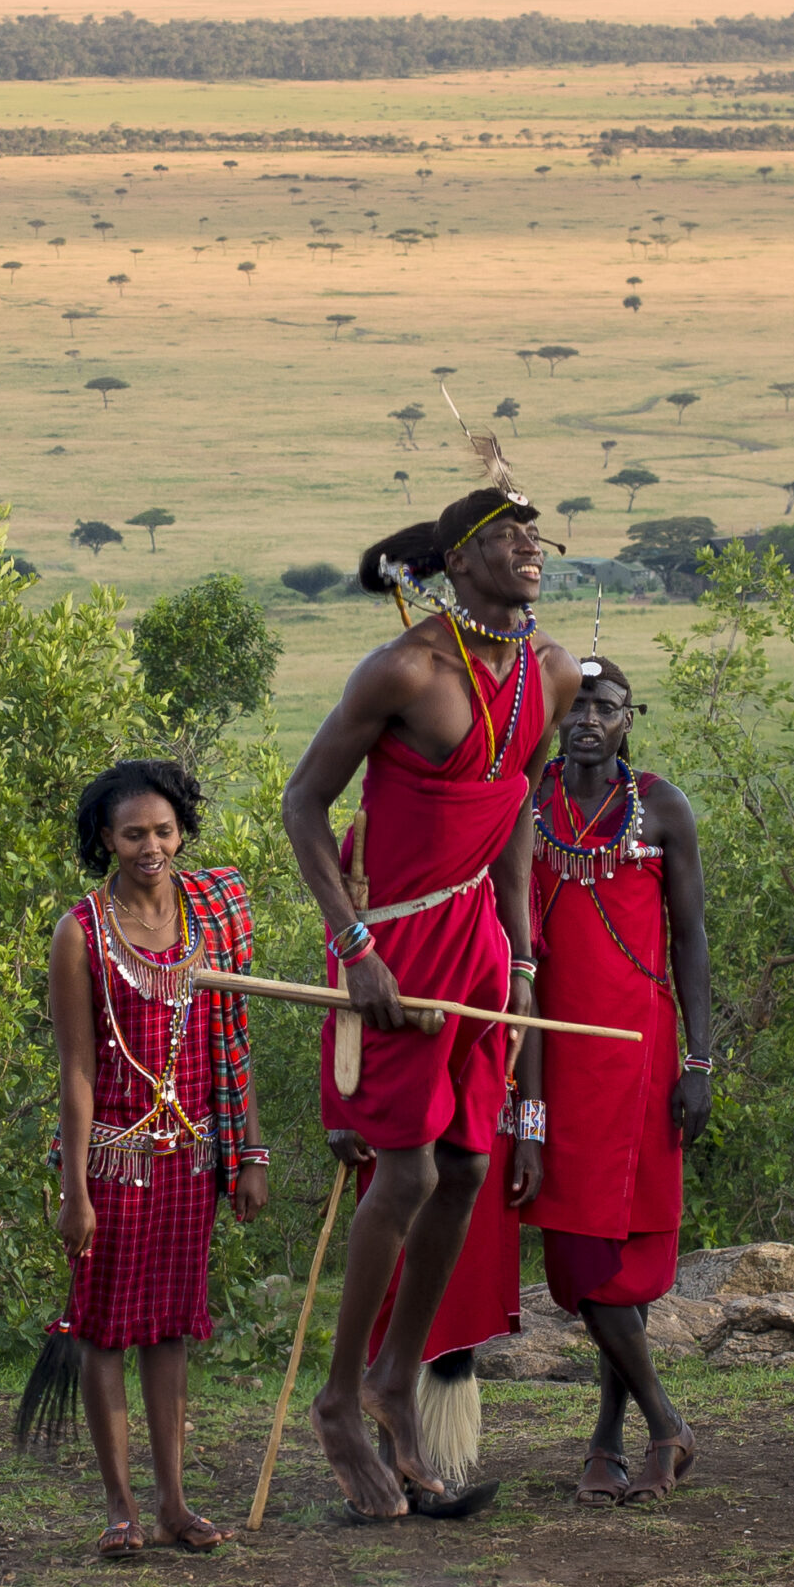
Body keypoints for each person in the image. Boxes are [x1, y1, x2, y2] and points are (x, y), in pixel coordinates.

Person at [279, 481, 550, 1527]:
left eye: (535, 532)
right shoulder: (405, 669)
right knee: (406, 1170)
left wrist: (521, 960)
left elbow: (514, 812)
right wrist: (353, 945)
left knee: (470, 1165)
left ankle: (397, 1378)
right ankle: (340, 1401)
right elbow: (305, 801)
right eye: (507, 535)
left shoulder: (551, 673)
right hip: (394, 942)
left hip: (480, 944)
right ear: (458, 560)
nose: (531, 546)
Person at [42, 755, 263, 1558]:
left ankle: (175, 1504)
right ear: (105, 837)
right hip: (113, 1164)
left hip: (192, 1160)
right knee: (104, 1332)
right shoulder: (81, 933)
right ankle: (121, 1509)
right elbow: (76, 1070)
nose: (152, 847)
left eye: (164, 831)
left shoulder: (210, 914)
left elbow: (233, 1037)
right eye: (134, 833)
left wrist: (250, 1153)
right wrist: (74, 1190)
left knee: (170, 1330)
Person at [529, 658, 718, 1507]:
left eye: (604, 706)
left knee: (623, 1258)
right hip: (550, 1057)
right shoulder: (527, 802)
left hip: (641, 1054)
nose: (586, 719)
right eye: (574, 706)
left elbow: (691, 938)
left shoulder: (662, 807)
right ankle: (666, 1425)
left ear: (628, 718)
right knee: (579, 1255)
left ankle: (611, 1439)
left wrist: (700, 1062)